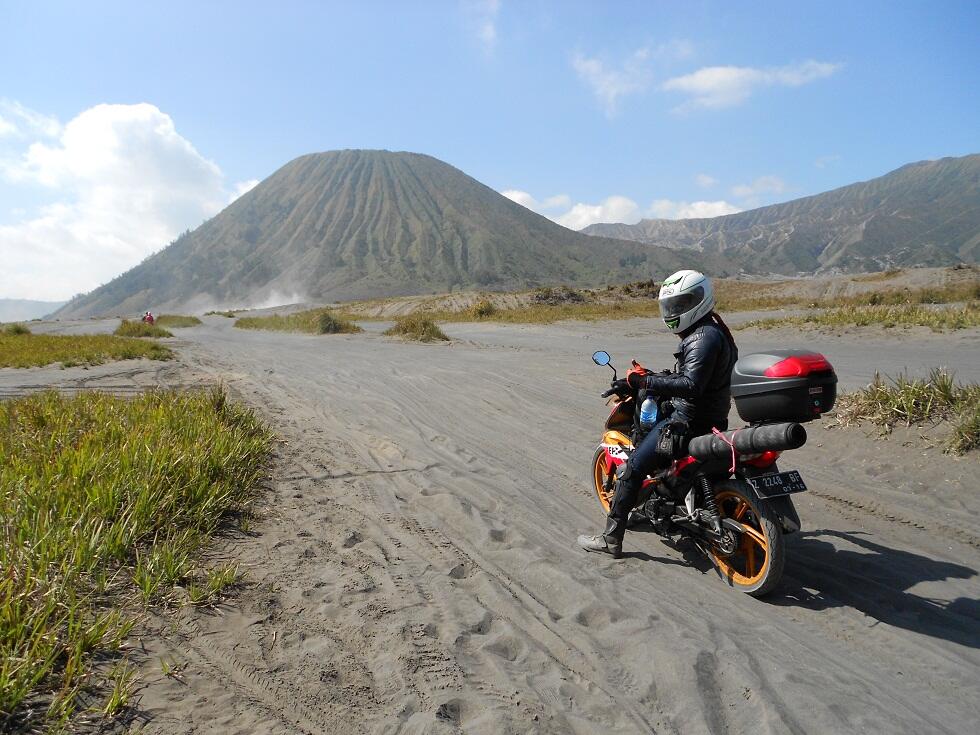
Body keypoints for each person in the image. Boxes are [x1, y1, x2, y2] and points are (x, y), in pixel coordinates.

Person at [577, 269, 739, 559]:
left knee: (632, 470)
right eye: (671, 306)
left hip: (687, 422)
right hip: (712, 417)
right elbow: (693, 376)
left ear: (700, 300)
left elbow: (690, 385)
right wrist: (651, 376)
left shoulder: (702, 337)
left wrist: (644, 382)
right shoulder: (712, 329)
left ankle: (610, 540)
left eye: (680, 304)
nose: (675, 312)